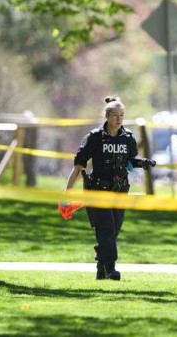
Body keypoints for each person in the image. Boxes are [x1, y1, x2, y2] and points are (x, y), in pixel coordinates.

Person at [64, 96, 155, 281]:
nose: (119, 119)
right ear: (107, 116)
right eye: (115, 115)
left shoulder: (128, 138)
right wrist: (67, 193)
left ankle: (101, 268)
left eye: (122, 115)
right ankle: (111, 269)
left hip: (120, 191)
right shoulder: (95, 138)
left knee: (113, 231)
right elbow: (79, 166)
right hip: (98, 192)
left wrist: (142, 163)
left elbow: (130, 161)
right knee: (106, 229)